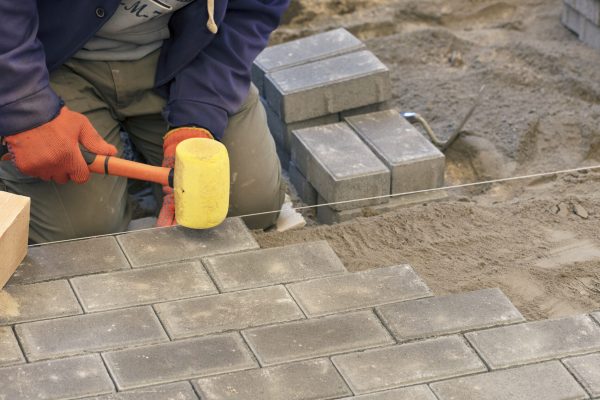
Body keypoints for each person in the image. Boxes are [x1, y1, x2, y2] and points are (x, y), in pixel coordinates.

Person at [0, 0, 289, 243]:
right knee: (82, 236)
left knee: (248, 208)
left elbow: (252, 10)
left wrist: (200, 111)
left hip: (181, 58)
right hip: (48, 61)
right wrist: (25, 106)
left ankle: (138, 149)